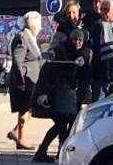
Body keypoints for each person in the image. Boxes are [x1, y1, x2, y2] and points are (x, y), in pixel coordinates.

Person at [31, 27, 92, 163]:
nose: (77, 42)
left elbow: (85, 67)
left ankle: (54, 152)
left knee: (65, 125)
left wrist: (83, 62)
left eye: (79, 40)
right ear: (70, 40)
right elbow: (47, 72)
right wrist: (44, 93)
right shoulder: (61, 51)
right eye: (75, 39)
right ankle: (50, 152)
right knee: (61, 125)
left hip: (70, 96)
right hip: (57, 94)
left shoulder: (84, 53)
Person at [6, 12, 44, 150]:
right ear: (33, 24)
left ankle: (17, 133)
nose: (40, 27)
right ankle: (21, 137)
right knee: (25, 109)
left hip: (31, 81)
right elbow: (17, 61)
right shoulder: (23, 37)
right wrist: (21, 81)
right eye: (39, 24)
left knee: (29, 109)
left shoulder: (30, 37)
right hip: (24, 81)